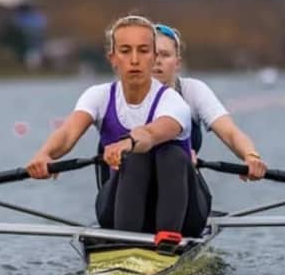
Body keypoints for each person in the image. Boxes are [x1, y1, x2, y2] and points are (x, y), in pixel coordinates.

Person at [26, 15, 210, 237]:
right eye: (125, 51)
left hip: (182, 214)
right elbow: (67, 133)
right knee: (133, 159)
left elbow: (150, 134)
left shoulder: (173, 102)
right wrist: (45, 155)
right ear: (112, 58)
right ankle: (125, 243)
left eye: (143, 51)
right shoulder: (98, 96)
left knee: (167, 153)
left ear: (154, 57)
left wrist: (127, 143)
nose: (134, 60)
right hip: (119, 208)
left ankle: (167, 238)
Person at [152, 23, 268, 180]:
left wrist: (251, 156)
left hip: (182, 184)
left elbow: (230, 133)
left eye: (165, 55)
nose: (157, 61)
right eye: (151, 54)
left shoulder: (193, 90)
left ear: (178, 63)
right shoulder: (117, 94)